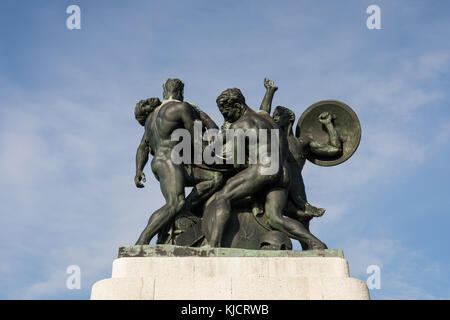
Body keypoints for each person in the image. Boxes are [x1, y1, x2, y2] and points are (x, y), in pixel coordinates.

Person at [202, 86, 327, 249]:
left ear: (237, 107)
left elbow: (236, 162)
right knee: (275, 218)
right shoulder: (267, 118)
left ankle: (213, 244)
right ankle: (316, 243)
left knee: (222, 197)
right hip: (282, 173)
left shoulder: (239, 126)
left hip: (264, 168)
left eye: (226, 113)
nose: (226, 117)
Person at [134, 78, 223, 245]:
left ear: (164, 92)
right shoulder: (182, 108)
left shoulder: (151, 118)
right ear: (181, 92)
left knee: (215, 178)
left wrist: (139, 170)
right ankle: (141, 242)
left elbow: (142, 147)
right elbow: (198, 139)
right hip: (169, 161)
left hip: (163, 162)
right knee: (174, 202)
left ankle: (185, 209)